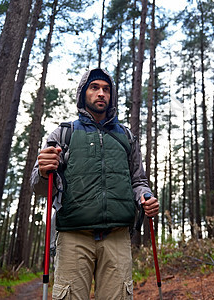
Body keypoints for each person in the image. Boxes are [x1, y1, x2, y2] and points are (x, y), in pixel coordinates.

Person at [30, 68, 159, 299]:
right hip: (73, 235)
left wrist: (146, 197)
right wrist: (42, 171)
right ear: (83, 93)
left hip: (117, 236)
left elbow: (138, 180)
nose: (101, 93)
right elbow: (40, 188)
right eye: (95, 87)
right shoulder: (63, 134)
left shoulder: (126, 137)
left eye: (106, 89)